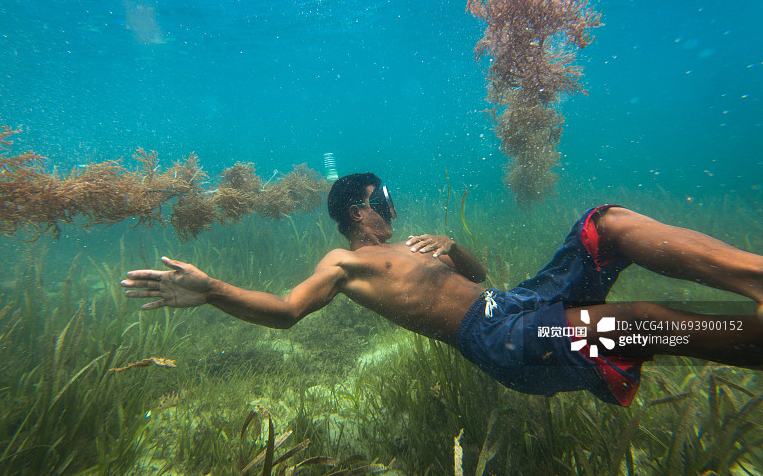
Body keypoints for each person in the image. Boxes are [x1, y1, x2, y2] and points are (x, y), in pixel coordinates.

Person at [121, 172, 763, 406]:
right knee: (639, 319)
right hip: (498, 338)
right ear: (357, 209)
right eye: (384, 199)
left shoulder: (412, 243)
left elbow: (480, 276)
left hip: (515, 301)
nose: (393, 209)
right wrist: (213, 290)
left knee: (608, 225)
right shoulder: (343, 261)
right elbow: (287, 312)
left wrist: (456, 247)